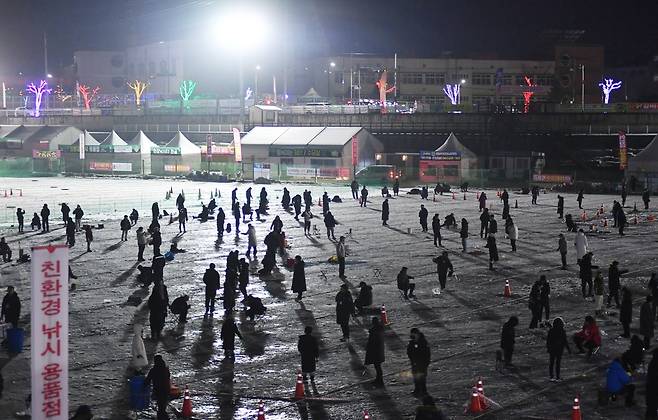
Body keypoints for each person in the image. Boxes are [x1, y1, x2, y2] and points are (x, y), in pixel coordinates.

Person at [144, 355, 171, 419]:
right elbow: (168, 377)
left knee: (160, 406)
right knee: (163, 404)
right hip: (166, 390)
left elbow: (147, 380)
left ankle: (161, 416)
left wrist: (143, 386)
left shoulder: (153, 370)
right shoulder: (166, 369)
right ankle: (164, 415)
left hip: (158, 390)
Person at [407, 328, 431, 396]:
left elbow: (426, 353)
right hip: (415, 362)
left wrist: (426, 362)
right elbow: (409, 351)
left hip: (422, 363)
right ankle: (417, 389)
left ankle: (423, 390)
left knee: (422, 377)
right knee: (416, 376)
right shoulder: (413, 341)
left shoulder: (422, 342)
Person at [546, 317, 571, 381]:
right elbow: (565, 341)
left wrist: (548, 348)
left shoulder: (551, 330)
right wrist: (568, 349)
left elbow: (548, 340)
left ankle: (551, 376)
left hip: (552, 349)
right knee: (558, 363)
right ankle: (557, 376)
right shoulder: (562, 331)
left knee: (551, 362)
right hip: (559, 349)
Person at [365, 317, 385, 386]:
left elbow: (372, 342)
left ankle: (379, 380)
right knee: (378, 366)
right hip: (379, 351)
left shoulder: (374, 331)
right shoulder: (379, 330)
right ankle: (379, 379)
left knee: (377, 366)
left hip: (375, 352)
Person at [647, 348, 658, 419]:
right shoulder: (654, 363)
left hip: (651, 386)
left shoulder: (652, 362)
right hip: (654, 386)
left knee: (651, 406)